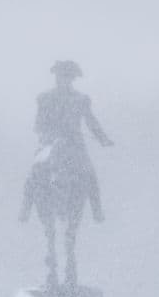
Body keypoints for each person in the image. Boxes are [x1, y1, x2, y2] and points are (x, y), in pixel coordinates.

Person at [20, 60, 114, 223]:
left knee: (89, 173)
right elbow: (38, 125)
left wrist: (103, 139)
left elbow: (91, 121)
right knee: (35, 170)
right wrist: (49, 134)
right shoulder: (44, 98)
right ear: (56, 77)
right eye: (61, 76)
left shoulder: (81, 99)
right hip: (50, 144)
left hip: (75, 144)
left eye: (68, 77)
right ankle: (25, 208)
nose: (64, 80)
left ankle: (97, 211)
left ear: (72, 79)